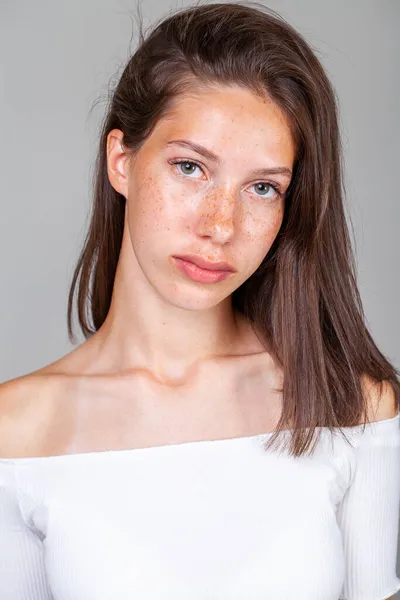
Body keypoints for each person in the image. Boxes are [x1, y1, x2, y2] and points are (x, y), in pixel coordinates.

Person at [0, 2, 399, 599]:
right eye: (190, 167)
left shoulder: (353, 407)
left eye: (262, 187)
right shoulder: (16, 433)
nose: (221, 224)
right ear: (122, 161)